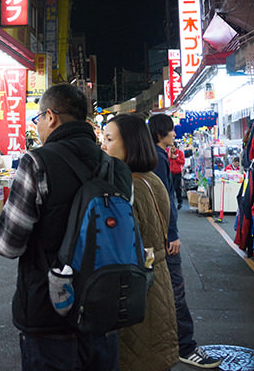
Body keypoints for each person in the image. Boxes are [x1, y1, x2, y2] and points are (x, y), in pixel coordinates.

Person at [0, 82, 133, 371]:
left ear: (51, 117)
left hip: (49, 312)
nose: (38, 126)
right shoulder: (118, 169)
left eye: (38, 118)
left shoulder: (36, 162)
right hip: (104, 307)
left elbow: (8, 244)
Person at [102, 114, 178, 371]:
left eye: (109, 139)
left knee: (136, 358)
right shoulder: (151, 179)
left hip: (135, 287)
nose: (103, 146)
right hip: (158, 280)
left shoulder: (127, 186)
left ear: (130, 144)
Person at [148, 113, 222, 369]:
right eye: (170, 130)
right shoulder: (156, 158)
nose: (174, 134)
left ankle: (172, 343)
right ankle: (185, 346)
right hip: (164, 237)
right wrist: (172, 234)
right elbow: (162, 199)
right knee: (175, 289)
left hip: (157, 236)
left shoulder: (155, 156)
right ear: (159, 133)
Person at [168, 141, 186, 209]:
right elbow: (168, 161)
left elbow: (182, 162)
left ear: (176, 147)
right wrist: (170, 154)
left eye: (173, 148)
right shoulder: (169, 153)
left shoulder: (180, 153)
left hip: (178, 172)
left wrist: (176, 158)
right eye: (171, 148)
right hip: (171, 172)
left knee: (177, 187)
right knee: (171, 187)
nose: (172, 149)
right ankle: (171, 202)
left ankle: (179, 201)